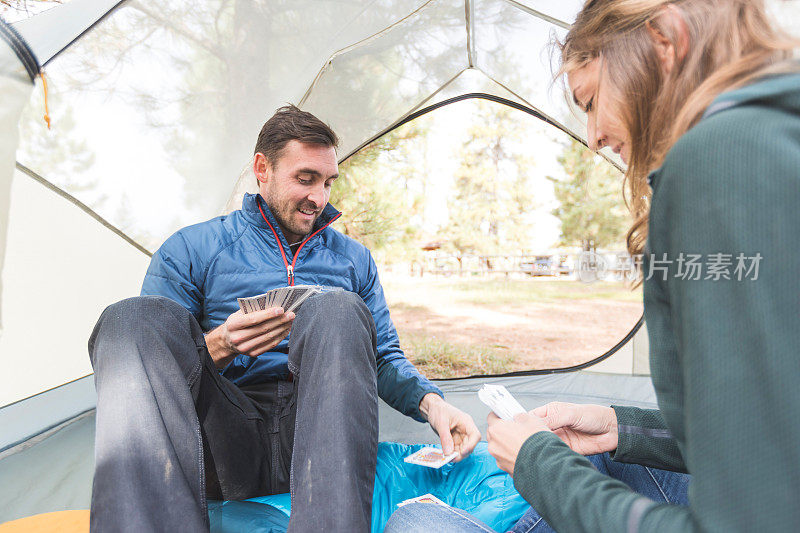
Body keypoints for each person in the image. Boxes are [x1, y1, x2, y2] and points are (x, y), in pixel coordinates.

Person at [386, 0, 800, 531]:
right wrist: (619, 428)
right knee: (604, 454)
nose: (594, 137)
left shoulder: (716, 160)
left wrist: (539, 464)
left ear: (665, 42)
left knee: (416, 523)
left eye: (590, 101)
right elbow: (758, 435)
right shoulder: (775, 132)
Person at [88, 105, 480, 533]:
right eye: (305, 179)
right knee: (131, 319)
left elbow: (383, 356)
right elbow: (155, 370)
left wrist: (434, 404)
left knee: (338, 307)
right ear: (263, 168)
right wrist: (220, 345)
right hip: (223, 437)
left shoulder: (353, 259)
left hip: (319, 434)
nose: (319, 198)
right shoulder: (191, 248)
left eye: (328, 182)